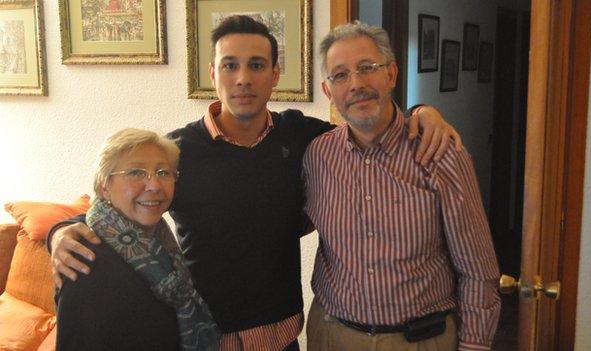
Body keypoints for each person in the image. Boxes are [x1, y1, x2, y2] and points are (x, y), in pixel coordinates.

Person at [47, 16, 461, 351]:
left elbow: (365, 120)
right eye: (230, 65)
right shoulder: (177, 150)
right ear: (214, 73)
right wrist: (59, 231)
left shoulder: (304, 138)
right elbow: (126, 201)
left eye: (256, 65)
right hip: (201, 334)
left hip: (280, 337)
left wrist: (421, 112)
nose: (243, 77)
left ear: (275, 74)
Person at [303, 22, 500, 351]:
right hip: (332, 336)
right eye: (340, 75)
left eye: (368, 68)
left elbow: (478, 271)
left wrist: (474, 346)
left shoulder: (441, 155)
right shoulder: (316, 156)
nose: (356, 84)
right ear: (327, 91)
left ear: (391, 74)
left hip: (420, 340)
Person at [55, 128, 221, 351]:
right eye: (136, 172)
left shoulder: (163, 248)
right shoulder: (86, 260)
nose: (154, 185)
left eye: (163, 172)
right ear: (104, 186)